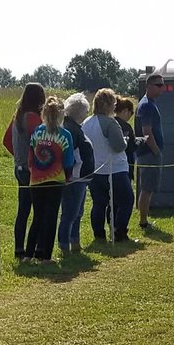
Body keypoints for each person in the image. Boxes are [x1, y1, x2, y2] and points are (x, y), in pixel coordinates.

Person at [26, 97, 74, 262]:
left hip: (36, 179)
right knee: (51, 217)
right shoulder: (65, 135)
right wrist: (67, 177)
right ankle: (46, 256)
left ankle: (28, 254)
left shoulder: (37, 132)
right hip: (56, 179)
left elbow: (30, 155)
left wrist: (33, 171)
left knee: (37, 217)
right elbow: (68, 161)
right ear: (62, 114)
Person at [82, 88, 133, 243]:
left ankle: (99, 234)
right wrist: (125, 140)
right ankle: (120, 232)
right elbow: (118, 146)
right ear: (110, 105)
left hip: (95, 169)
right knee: (126, 200)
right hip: (114, 168)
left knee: (99, 203)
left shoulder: (86, 123)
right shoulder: (110, 123)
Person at [3, 83, 45, 259]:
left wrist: (19, 156)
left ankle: (19, 250)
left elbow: (6, 141)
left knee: (23, 211)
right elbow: (43, 142)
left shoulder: (17, 117)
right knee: (40, 211)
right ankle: (34, 250)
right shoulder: (33, 119)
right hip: (31, 170)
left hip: (19, 168)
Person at [59, 93, 94, 257]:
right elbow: (69, 154)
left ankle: (74, 242)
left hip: (80, 177)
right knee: (70, 213)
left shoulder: (72, 126)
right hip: (74, 177)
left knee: (76, 213)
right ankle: (65, 245)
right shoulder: (71, 129)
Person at [134, 72, 166, 229]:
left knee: (148, 188)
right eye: (158, 85)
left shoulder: (150, 103)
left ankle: (144, 219)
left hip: (149, 153)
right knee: (146, 188)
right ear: (148, 87)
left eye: (163, 84)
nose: (162, 88)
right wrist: (156, 151)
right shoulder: (146, 105)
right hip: (148, 153)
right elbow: (147, 132)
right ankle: (143, 221)